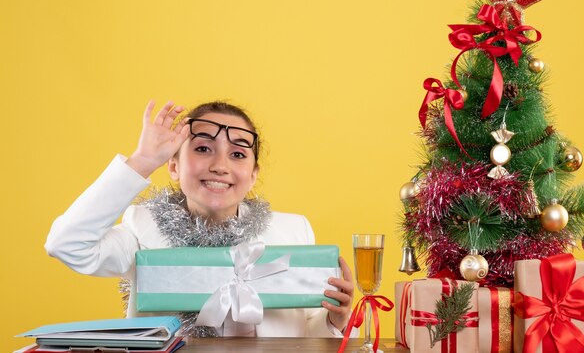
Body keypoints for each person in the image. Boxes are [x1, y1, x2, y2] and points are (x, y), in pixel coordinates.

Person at [46, 100, 355, 338]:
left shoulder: (292, 231)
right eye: (204, 148)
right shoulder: (143, 227)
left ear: (253, 174)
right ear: (173, 166)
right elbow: (67, 245)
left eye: (237, 154)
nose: (220, 165)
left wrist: (334, 320)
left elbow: (305, 334)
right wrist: (141, 162)